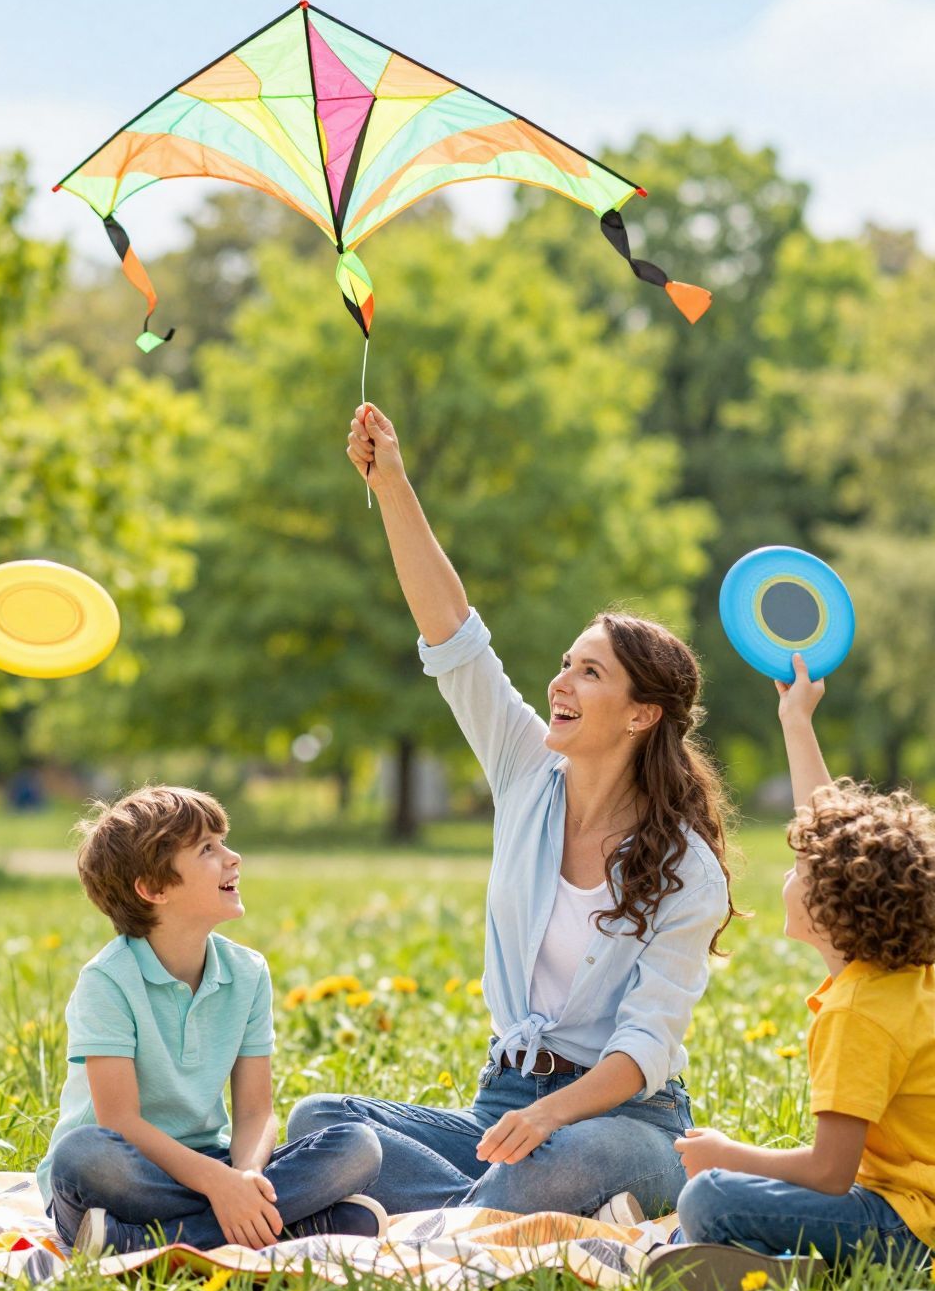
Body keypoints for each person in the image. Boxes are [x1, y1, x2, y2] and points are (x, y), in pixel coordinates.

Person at [288, 405, 736, 1218]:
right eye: (565, 664)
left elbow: (643, 1048)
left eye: (590, 673)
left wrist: (551, 1114)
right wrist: (390, 483)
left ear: (642, 715)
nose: (560, 683)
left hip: (621, 1121)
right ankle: (483, 1211)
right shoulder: (528, 770)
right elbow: (454, 634)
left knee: (564, 1159)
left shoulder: (688, 872)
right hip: (503, 1108)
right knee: (324, 1121)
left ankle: (437, 1214)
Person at [670, 656, 935, 1274]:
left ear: (830, 911)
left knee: (710, 1196)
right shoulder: (901, 973)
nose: (791, 864)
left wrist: (729, 1156)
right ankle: (788, 1263)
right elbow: (830, 825)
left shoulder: (857, 1013)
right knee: (724, 1193)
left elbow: (829, 1174)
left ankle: (777, 1272)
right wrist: (795, 718)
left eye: (803, 869)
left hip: (929, 1240)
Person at [39, 785, 387, 1255]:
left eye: (223, 842)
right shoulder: (107, 981)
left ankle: (140, 1242)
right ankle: (283, 1226)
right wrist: (220, 1188)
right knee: (82, 1155)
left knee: (358, 1146)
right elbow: (121, 1123)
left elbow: (254, 1112)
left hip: (211, 1164)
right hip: (122, 1173)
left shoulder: (248, 973)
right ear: (153, 888)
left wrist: (243, 1178)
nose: (233, 857)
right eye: (208, 849)